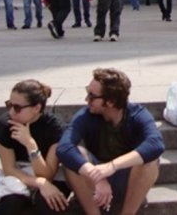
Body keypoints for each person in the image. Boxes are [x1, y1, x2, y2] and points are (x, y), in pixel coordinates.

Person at [57, 68, 164, 215]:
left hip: (125, 178)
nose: (86, 99)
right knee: (76, 155)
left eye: (92, 96)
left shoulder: (137, 114)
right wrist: (98, 177)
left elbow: (156, 144)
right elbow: (64, 147)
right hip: (93, 181)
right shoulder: (86, 115)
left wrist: (113, 166)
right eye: (88, 92)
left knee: (150, 161)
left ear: (110, 102)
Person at [0, 79, 69, 214]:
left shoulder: (54, 128)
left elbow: (47, 174)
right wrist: (39, 183)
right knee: (11, 202)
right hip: (18, 178)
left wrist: (30, 144)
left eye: (17, 108)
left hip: (46, 176)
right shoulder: (5, 125)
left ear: (36, 108)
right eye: (9, 105)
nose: (11, 112)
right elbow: (9, 169)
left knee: (50, 202)